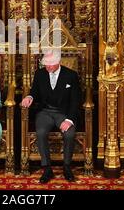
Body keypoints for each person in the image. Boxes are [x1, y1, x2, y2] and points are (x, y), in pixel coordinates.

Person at [21, 51, 82, 183]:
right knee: (41, 132)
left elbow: (75, 100)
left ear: (58, 62)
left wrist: (69, 120)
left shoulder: (71, 75)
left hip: (64, 113)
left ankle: (67, 166)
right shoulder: (40, 74)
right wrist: (29, 97)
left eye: (50, 64)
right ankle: (47, 168)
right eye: (46, 64)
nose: (47, 67)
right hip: (45, 112)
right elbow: (34, 92)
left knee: (69, 134)